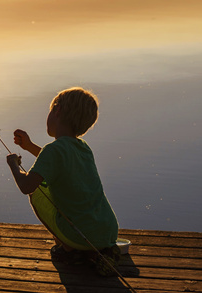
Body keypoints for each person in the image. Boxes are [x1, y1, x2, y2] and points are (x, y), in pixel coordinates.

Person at [6, 87, 121, 275]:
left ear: (57, 110)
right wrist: (28, 147)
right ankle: (98, 252)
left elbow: (26, 186)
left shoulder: (54, 150)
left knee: (39, 192)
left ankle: (71, 250)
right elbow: (55, 163)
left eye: (50, 110)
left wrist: (13, 165)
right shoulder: (83, 148)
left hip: (80, 235)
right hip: (108, 231)